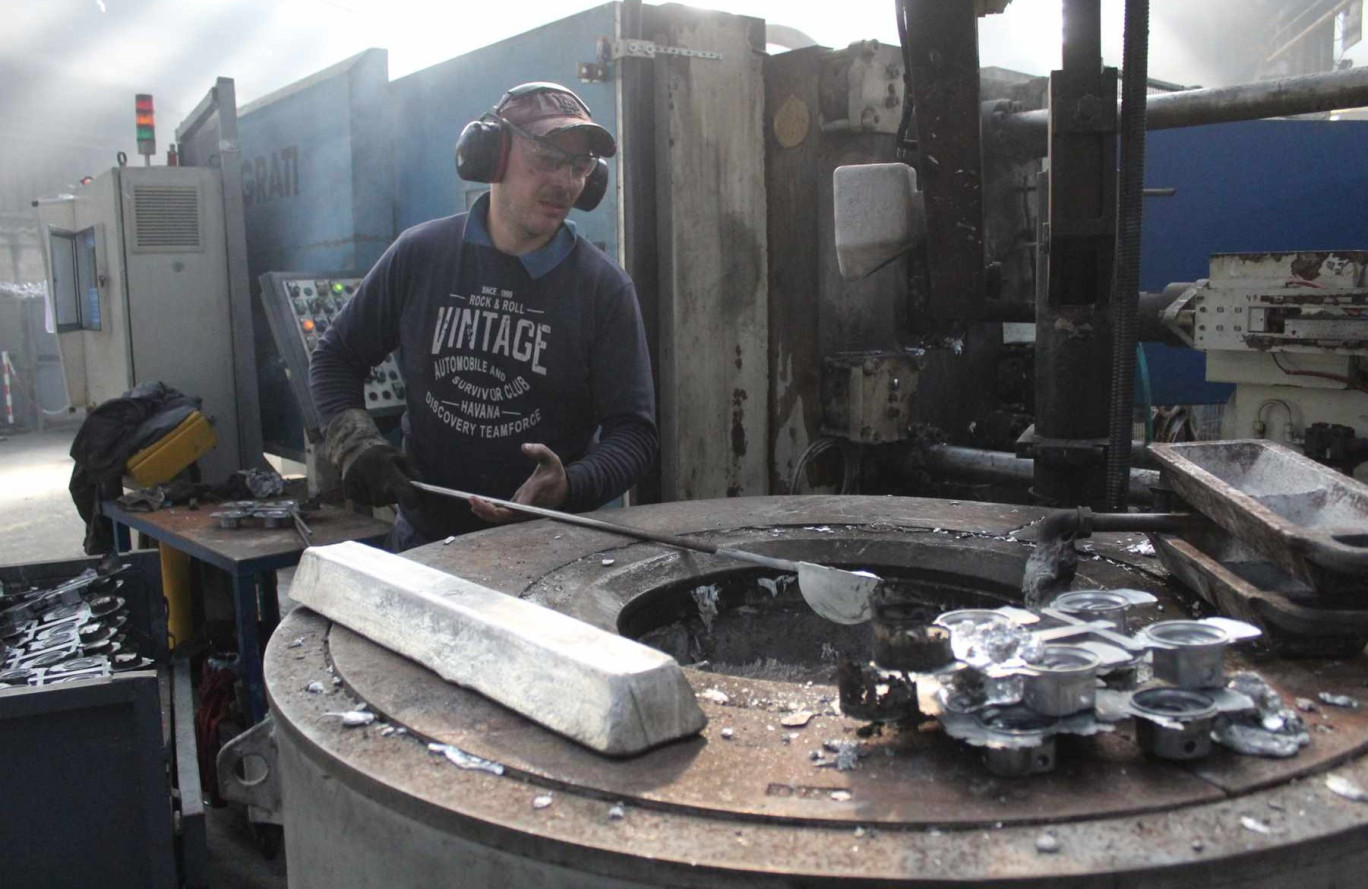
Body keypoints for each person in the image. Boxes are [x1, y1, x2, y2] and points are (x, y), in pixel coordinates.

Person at [310, 82, 657, 551]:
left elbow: (634, 434)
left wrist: (570, 485)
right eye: (548, 157)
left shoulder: (603, 288)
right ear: (490, 154)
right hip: (427, 547)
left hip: (549, 552)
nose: (566, 182)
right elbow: (336, 357)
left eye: (580, 166)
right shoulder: (421, 255)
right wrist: (355, 445)